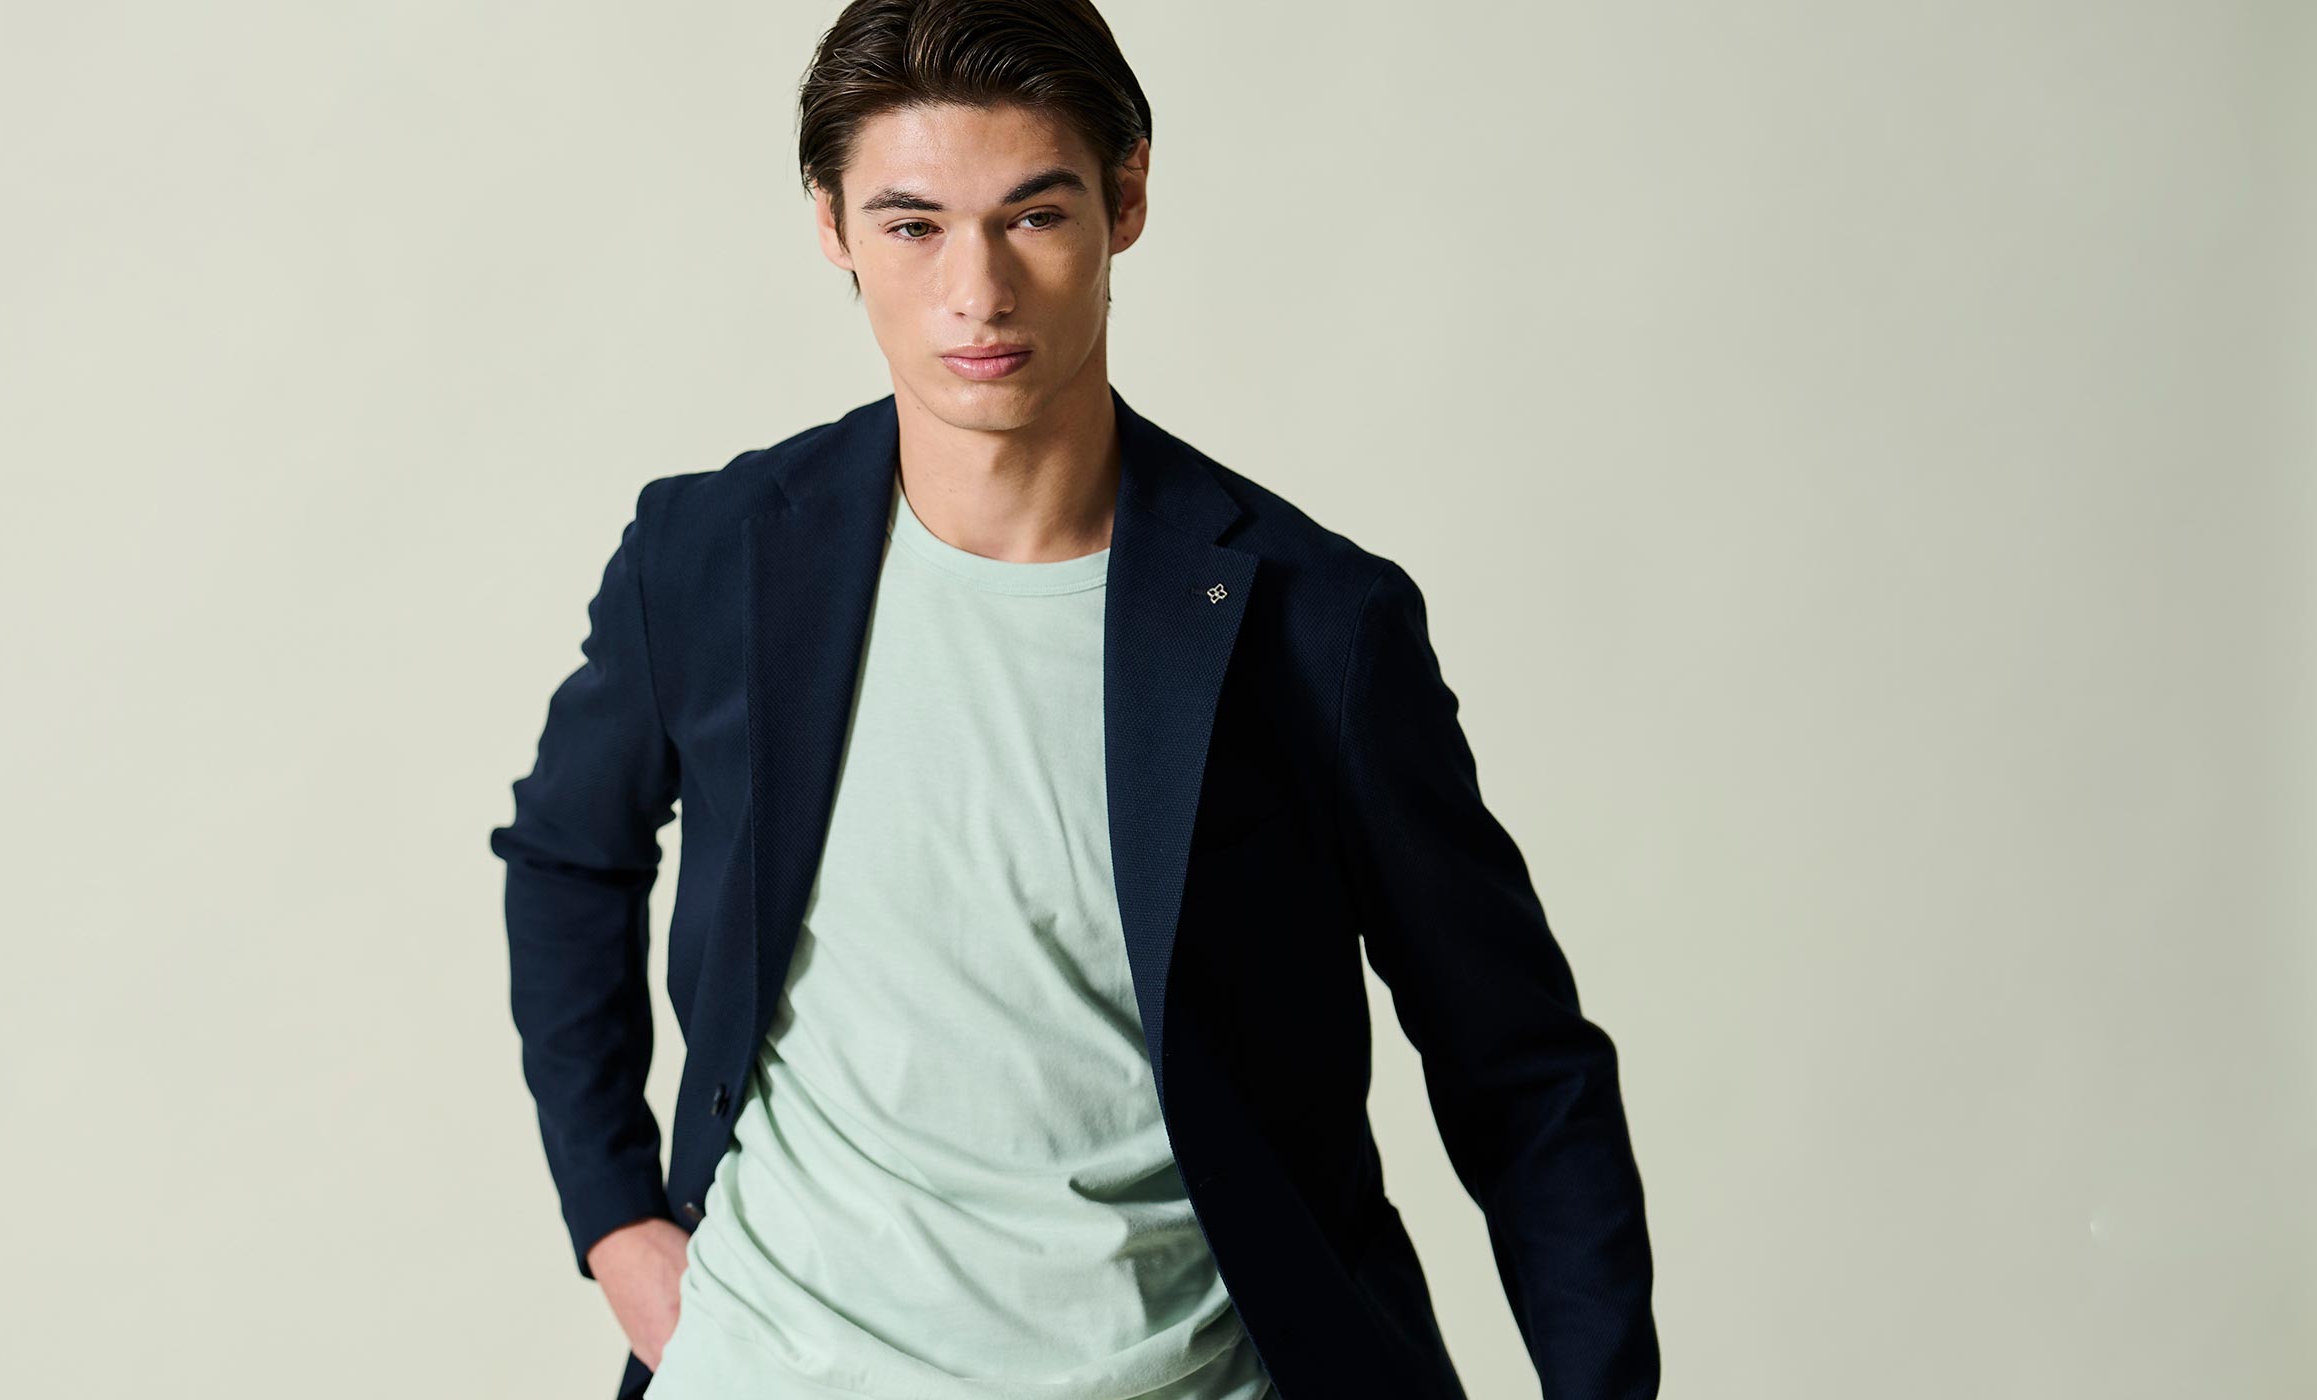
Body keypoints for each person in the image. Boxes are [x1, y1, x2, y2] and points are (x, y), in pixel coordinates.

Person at [487, 2, 1660, 1397]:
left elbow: (1517, 1067)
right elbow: (566, 856)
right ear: (832, 226)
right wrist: (615, 1217)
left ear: (1128, 198)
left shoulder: (1314, 623)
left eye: (1034, 217)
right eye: (913, 225)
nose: (976, 292)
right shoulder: (713, 558)